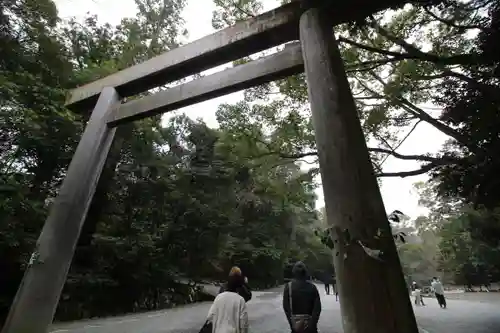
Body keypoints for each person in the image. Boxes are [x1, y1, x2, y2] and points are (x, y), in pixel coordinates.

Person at [283, 261, 321, 333]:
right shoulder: (312, 287)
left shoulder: (289, 287)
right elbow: (317, 309)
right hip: (310, 326)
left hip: (296, 325)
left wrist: (293, 325)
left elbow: (286, 308)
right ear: (305, 272)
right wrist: (311, 325)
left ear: (294, 272)